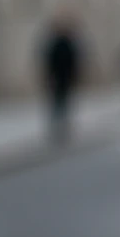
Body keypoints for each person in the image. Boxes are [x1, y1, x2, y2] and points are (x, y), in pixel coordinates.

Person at [40, 13, 81, 143]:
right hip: (60, 78)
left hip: (62, 78)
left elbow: (72, 62)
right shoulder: (60, 44)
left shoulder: (63, 43)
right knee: (59, 103)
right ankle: (59, 126)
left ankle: (60, 126)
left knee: (61, 103)